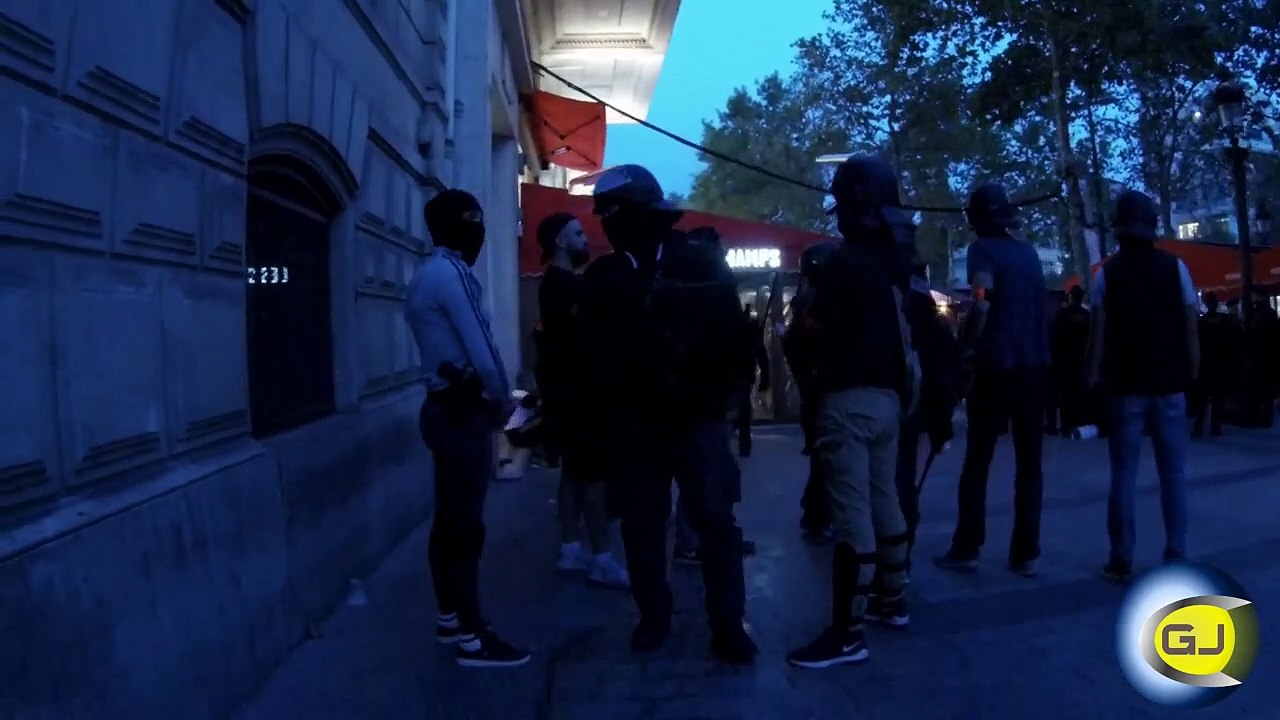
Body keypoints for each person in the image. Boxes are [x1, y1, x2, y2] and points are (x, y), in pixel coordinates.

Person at [579, 165, 756, 664]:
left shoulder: (698, 262)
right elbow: (589, 355)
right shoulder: (604, 277)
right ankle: (652, 615)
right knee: (641, 526)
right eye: (605, 214)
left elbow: (734, 336)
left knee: (716, 522)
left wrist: (722, 398)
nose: (609, 223)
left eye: (616, 211)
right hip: (635, 425)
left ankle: (727, 625)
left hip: (696, 418)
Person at [788, 156, 916, 669]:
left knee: (851, 513)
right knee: (886, 499)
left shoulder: (842, 265)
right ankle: (893, 599)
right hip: (890, 399)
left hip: (848, 399)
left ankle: (847, 632)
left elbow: (810, 333)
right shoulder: (896, 262)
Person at [404, 189, 529, 667]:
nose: (480, 232)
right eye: (473, 222)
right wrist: (505, 405)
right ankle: (473, 635)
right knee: (465, 527)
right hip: (462, 411)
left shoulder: (422, 276)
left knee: (448, 521)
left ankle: (450, 619)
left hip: (441, 408)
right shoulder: (452, 274)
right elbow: (482, 349)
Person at [935, 182, 1048, 578]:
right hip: (1034, 367)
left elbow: (982, 302)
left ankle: (967, 547)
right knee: (1029, 464)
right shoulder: (1029, 253)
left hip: (996, 367)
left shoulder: (981, 251)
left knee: (978, 460)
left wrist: (966, 351)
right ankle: (1026, 552)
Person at [1086, 190, 1198, 583]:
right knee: (1173, 473)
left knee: (1124, 473)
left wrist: (1092, 377)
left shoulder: (1108, 274)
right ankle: (1176, 554)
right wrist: (1192, 371)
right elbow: (1189, 325)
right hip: (1169, 385)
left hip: (1125, 387)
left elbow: (1098, 336)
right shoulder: (1176, 268)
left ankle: (1121, 557)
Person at [533, 212, 630, 589]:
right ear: (560, 242)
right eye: (576, 233)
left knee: (574, 474)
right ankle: (602, 557)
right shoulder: (564, 286)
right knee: (593, 478)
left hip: (567, 396)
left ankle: (571, 548)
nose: (584, 237)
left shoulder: (558, 283)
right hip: (581, 397)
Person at [892, 261, 961, 574]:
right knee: (904, 479)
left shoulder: (886, 300)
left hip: (881, 399)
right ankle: (899, 557)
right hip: (911, 402)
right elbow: (945, 372)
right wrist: (940, 425)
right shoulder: (930, 314)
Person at [784, 241, 839, 542]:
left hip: (814, 387)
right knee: (828, 454)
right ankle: (817, 514)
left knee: (823, 453)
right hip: (823, 388)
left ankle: (816, 512)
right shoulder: (818, 302)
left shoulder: (805, 300)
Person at [1191, 292, 1235, 437]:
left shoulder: (1201, 323)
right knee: (1218, 398)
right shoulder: (1225, 321)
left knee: (1202, 398)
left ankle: (1199, 425)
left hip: (1205, 363)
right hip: (1220, 363)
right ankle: (1216, 426)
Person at [1050, 285, 1092, 435]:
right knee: (1079, 393)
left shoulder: (1061, 315)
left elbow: (1055, 338)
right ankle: (1079, 423)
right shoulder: (1087, 316)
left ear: (1070, 297)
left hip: (1064, 361)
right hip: (1081, 360)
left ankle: (1066, 425)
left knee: (1065, 395)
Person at [1244, 291, 1280, 428]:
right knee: (1268, 391)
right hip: (1269, 357)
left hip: (1259, 357)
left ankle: (1255, 418)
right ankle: (1266, 418)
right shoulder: (1270, 313)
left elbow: (1255, 336)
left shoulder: (1257, 313)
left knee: (1256, 389)